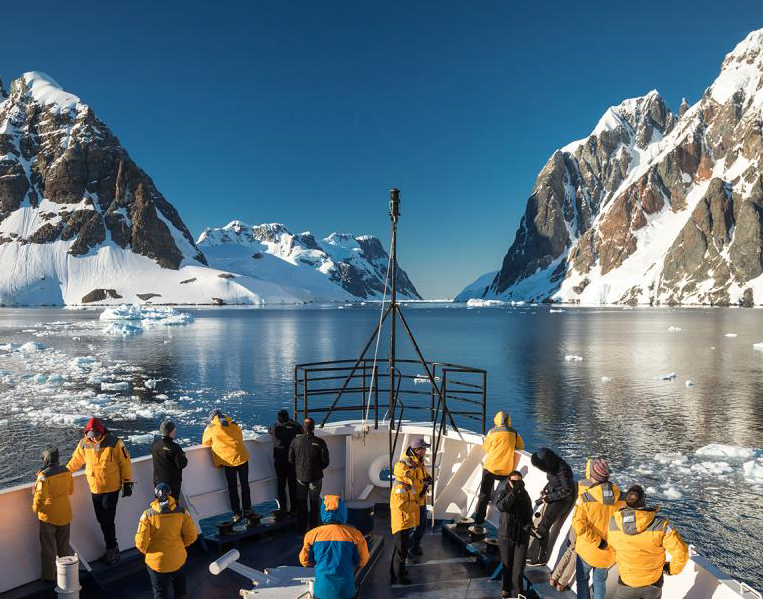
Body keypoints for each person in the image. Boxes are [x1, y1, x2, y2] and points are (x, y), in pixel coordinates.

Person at [67, 417, 133, 564]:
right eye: (91, 436)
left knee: (107, 520)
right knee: (101, 520)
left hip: (111, 488)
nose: (94, 439)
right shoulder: (84, 444)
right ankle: (111, 548)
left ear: (101, 432)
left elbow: (125, 463)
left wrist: (128, 483)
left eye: (96, 435)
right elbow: (76, 461)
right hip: (95, 488)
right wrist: (64, 473)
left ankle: (112, 549)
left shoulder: (115, 443)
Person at [607, 485, 689, 599]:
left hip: (627, 581)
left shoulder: (613, 524)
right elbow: (681, 552)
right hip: (653, 582)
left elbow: (611, 546)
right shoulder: (661, 525)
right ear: (643, 500)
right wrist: (671, 569)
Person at [299, 495, 370, 599]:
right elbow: (363, 560)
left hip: (322, 592)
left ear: (323, 512)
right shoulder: (355, 535)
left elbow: (304, 561)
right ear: (343, 512)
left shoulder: (311, 535)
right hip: (346, 591)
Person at [135, 483, 198, 599]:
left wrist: (148, 552)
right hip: (178, 558)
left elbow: (140, 543)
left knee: (160, 594)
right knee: (180, 591)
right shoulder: (182, 512)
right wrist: (181, 546)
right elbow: (192, 536)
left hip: (156, 563)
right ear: (170, 494)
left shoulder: (147, 515)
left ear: (155, 496)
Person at [573, 458, 624, 599]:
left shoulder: (584, 498)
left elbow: (578, 525)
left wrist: (597, 541)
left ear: (593, 476)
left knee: (583, 581)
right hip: (608, 552)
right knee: (600, 583)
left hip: (587, 550)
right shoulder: (621, 498)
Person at [474, 411, 524, 528]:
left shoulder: (492, 432)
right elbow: (521, 446)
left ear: (497, 420)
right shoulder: (514, 433)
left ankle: (479, 522)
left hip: (491, 469)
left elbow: (486, 448)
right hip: (506, 472)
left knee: (483, 495)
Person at [527, 447, 575, 566]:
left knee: (544, 526)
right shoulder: (553, 467)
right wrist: (546, 491)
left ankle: (539, 558)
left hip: (562, 501)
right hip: (555, 497)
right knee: (542, 525)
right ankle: (533, 554)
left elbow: (567, 490)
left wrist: (549, 498)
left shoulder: (562, 469)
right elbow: (553, 482)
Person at [32, 447, 74, 583]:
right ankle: (66, 575)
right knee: (64, 546)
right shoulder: (67, 471)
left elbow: (39, 498)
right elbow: (71, 490)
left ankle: (49, 577)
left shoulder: (43, 476)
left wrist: (35, 509)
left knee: (48, 548)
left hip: (48, 516)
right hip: (65, 513)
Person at [202, 409, 251, 522]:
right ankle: (248, 510)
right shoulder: (233, 423)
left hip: (228, 460)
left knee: (232, 487)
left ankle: (237, 513)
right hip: (242, 457)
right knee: (244, 484)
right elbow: (240, 435)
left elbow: (205, 442)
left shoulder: (211, 427)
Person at [495, 470, 533, 599]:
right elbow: (502, 506)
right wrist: (514, 492)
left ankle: (518, 593)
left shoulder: (525, 495)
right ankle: (506, 589)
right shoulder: (503, 493)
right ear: (509, 481)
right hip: (505, 536)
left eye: (519, 482)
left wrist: (528, 526)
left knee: (518, 568)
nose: (516, 484)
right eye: (514, 481)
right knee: (507, 565)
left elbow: (529, 513)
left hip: (521, 536)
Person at [289, 417, 330, 533]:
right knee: (314, 502)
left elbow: (290, 459)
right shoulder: (320, 442)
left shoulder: (295, 441)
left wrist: (299, 468)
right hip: (315, 477)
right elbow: (326, 462)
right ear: (313, 428)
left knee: (301, 502)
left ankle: (301, 528)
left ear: (303, 427)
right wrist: (317, 469)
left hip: (300, 477)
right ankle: (314, 528)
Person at [389, 459, 419, 585]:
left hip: (405, 522)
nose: (409, 474)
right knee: (401, 552)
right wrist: (415, 505)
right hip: (401, 523)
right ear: (402, 473)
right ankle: (399, 576)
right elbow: (402, 505)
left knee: (400, 549)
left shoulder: (406, 484)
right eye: (407, 472)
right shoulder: (400, 487)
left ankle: (395, 571)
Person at [270, 409, 303, 516]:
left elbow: (269, 429)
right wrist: (292, 422)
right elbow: (300, 428)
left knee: (281, 485)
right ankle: (294, 508)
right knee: (292, 484)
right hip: (290, 460)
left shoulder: (275, 428)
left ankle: (283, 508)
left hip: (279, 461)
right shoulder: (293, 428)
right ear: (287, 418)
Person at [406, 438, 432, 556]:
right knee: (413, 526)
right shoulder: (407, 464)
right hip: (413, 501)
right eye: (424, 448)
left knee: (422, 525)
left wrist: (427, 477)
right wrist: (423, 483)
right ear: (417, 450)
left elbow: (422, 475)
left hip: (421, 500)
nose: (425, 450)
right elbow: (407, 480)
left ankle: (416, 546)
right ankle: (409, 550)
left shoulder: (420, 462)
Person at [151, 420, 187, 502]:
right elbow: (181, 464)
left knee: (159, 504)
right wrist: (184, 457)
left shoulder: (155, 445)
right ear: (171, 432)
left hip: (158, 482)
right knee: (173, 504)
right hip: (172, 484)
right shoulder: (175, 447)